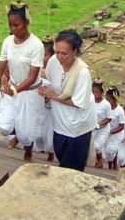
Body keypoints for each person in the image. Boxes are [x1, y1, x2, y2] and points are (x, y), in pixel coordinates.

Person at [0, 0, 45, 162]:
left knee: (27, 135)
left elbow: (32, 77)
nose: (12, 29)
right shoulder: (7, 42)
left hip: (30, 91)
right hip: (12, 90)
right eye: (10, 25)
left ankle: (28, 150)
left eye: (16, 25)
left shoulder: (36, 45)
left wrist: (16, 90)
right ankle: (19, 131)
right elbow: (0, 68)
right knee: (3, 128)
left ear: (26, 23)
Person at [38, 29, 96, 172]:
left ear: (75, 51)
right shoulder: (54, 61)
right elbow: (51, 77)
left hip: (77, 128)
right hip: (59, 124)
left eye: (64, 53)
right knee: (61, 160)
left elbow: (78, 102)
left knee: (72, 170)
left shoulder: (83, 73)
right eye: (57, 52)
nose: (59, 57)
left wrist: (53, 96)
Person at [35, 37, 56, 161]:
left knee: (49, 137)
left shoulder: (55, 72)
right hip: (38, 107)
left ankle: (51, 156)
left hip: (51, 109)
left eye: (46, 55)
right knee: (38, 135)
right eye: (41, 54)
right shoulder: (36, 70)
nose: (43, 58)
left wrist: (49, 96)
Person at [90, 79, 112, 168]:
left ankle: (99, 159)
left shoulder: (106, 104)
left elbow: (109, 118)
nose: (95, 94)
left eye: (97, 92)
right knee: (89, 145)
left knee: (97, 147)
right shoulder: (90, 101)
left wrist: (100, 124)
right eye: (93, 92)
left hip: (103, 128)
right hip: (92, 127)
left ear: (102, 92)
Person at [104, 86, 125, 170]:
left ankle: (114, 165)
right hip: (108, 133)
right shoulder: (106, 108)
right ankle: (111, 166)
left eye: (109, 100)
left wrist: (111, 131)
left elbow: (121, 126)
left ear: (114, 99)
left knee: (111, 150)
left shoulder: (120, 111)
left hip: (117, 134)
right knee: (108, 152)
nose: (107, 101)